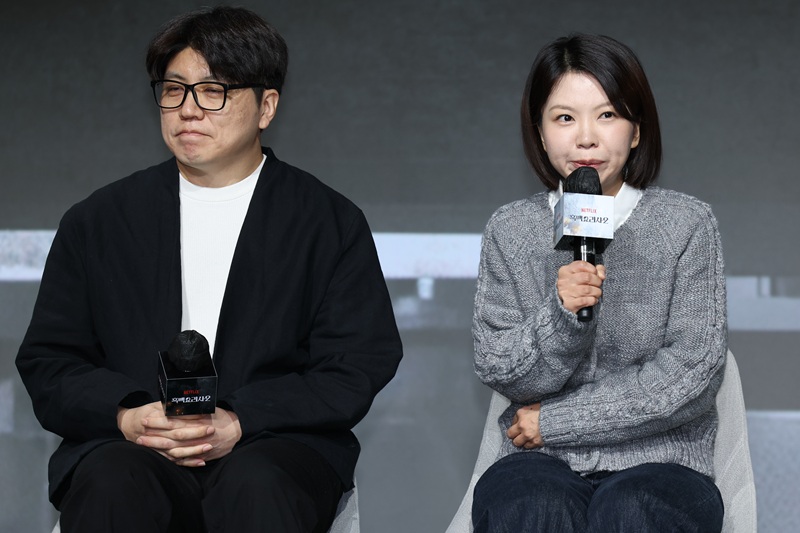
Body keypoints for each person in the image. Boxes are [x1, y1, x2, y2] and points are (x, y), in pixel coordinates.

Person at [16, 6, 402, 533]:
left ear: (266, 106)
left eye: (213, 91)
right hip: (132, 444)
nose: (188, 110)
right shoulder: (98, 220)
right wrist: (128, 415)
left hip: (273, 443)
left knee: (258, 484)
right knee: (113, 482)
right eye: (174, 90)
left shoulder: (327, 221)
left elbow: (357, 362)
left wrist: (243, 418)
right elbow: (50, 359)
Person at [470, 34, 726, 532]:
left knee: (631, 509)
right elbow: (499, 365)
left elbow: (691, 373)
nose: (585, 138)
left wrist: (555, 422)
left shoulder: (686, 225)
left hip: (662, 465)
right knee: (532, 506)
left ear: (636, 131)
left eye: (607, 115)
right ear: (540, 133)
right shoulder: (511, 229)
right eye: (564, 118)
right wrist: (561, 316)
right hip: (538, 464)